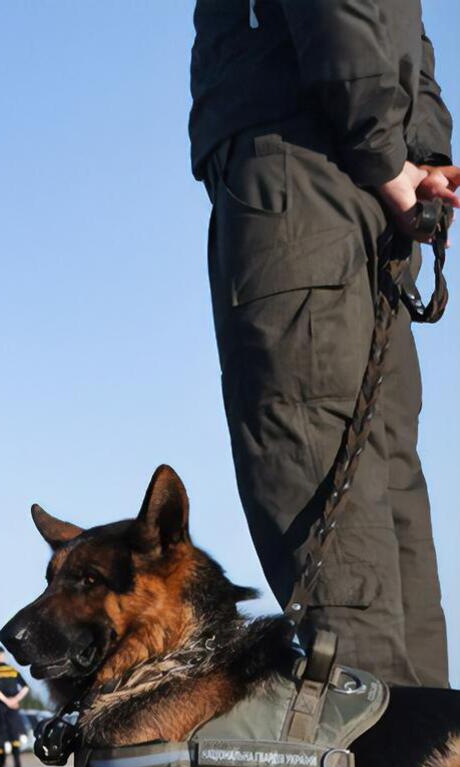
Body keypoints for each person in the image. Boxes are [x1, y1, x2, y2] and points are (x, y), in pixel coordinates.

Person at [191, 1, 457, 687]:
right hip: (366, 189)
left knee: (316, 459)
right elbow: (410, 40)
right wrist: (418, 158)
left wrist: (385, 151)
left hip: (303, 173)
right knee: (384, 482)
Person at [0, 646, 28, 767]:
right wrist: (15, 700)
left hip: (0, 706)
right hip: (13, 706)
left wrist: (7, 701)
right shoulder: (13, 671)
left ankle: (2, 764)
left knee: (0, 734)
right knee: (14, 734)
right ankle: (17, 764)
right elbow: (25, 688)